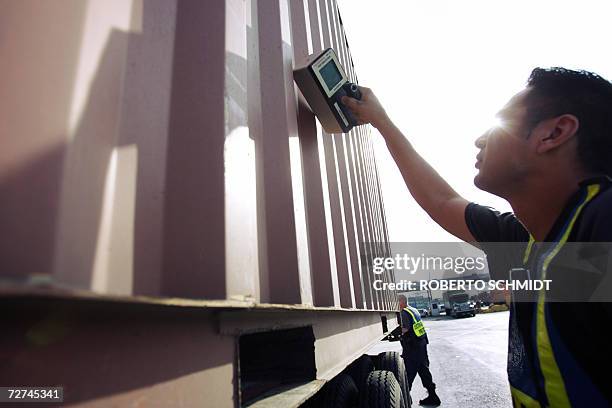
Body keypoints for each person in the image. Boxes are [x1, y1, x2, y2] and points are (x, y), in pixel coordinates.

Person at [342, 67, 612, 407]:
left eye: (502, 123)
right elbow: (442, 201)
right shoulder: (528, 239)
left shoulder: (601, 228)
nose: (480, 139)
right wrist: (381, 121)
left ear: (553, 133)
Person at [398, 294, 441, 406]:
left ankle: (405, 401)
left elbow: (405, 329)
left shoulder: (404, 312)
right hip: (421, 345)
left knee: (408, 374)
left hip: (412, 347)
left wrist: (395, 332)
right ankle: (433, 396)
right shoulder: (414, 310)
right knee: (424, 370)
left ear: (402, 301)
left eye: (397, 302)